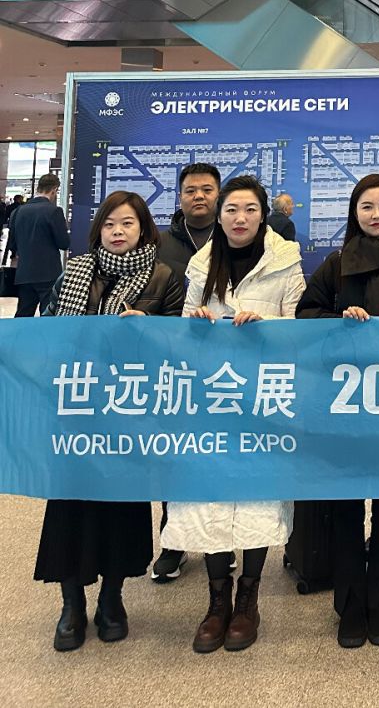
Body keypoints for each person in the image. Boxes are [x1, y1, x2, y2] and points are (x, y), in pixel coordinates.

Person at [34, 191, 184, 651]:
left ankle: (112, 599)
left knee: (121, 504)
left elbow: (179, 346)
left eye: (127, 223)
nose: (118, 232)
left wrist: (149, 332)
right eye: (109, 224)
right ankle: (71, 603)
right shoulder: (75, 272)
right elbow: (46, 328)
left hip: (128, 411)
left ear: (144, 229)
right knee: (70, 503)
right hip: (77, 408)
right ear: (98, 229)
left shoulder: (163, 277)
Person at [161, 175, 305, 654]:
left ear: (264, 215)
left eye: (249, 210)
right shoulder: (202, 264)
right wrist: (197, 323)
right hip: (213, 399)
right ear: (219, 216)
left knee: (258, 497)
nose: (240, 218)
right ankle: (217, 600)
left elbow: (301, 328)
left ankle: (248, 599)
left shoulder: (287, 260)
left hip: (264, 400)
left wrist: (268, 326)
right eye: (231, 210)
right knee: (211, 497)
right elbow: (183, 327)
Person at [297, 173, 379, 648]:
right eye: (367, 206)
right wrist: (340, 321)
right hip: (344, 403)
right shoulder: (335, 265)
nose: (376, 214)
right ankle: (349, 598)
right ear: (354, 212)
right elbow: (305, 315)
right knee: (346, 502)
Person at [152, 161, 221, 583]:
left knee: (221, 453)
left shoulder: (236, 236)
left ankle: (220, 542)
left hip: (226, 367)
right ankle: (173, 542)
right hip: (174, 364)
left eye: (207, 189)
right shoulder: (160, 242)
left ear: (218, 194)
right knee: (175, 453)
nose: (199, 196)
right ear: (179, 197)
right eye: (191, 190)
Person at [7, 174, 70, 316]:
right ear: (54, 190)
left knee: (23, 314)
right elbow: (64, 243)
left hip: (24, 273)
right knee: (48, 315)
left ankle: (20, 332)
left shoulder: (18, 211)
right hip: (48, 273)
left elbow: (12, 244)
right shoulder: (54, 211)